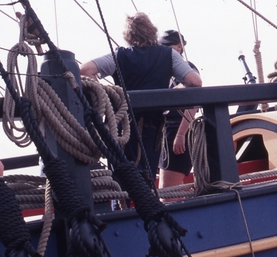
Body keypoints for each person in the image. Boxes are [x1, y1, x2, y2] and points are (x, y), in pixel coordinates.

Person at [79, 12, 202, 180]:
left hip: (123, 129)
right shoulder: (168, 55)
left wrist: (109, 93)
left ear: (128, 36)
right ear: (152, 31)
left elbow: (85, 71)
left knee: (121, 181)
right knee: (146, 181)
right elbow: (195, 82)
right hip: (152, 128)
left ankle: (122, 205)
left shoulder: (119, 55)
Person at [157, 30, 199, 189]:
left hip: (177, 129)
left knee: (168, 191)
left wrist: (181, 134)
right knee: (167, 190)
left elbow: (193, 104)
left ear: (180, 47)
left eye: (168, 46)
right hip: (166, 131)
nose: (164, 50)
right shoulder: (167, 73)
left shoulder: (188, 69)